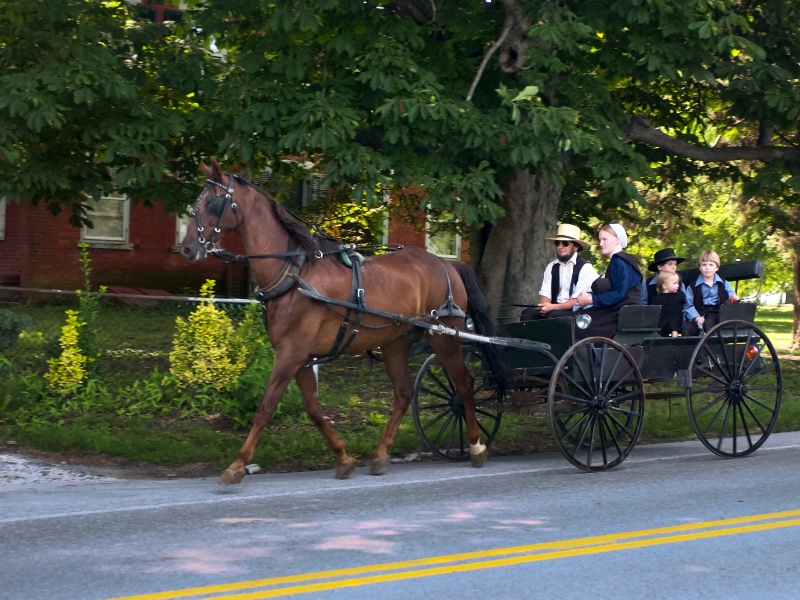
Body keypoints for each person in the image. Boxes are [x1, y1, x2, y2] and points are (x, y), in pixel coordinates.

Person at [574, 223, 642, 339]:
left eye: (605, 239)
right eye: (600, 240)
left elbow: (619, 293)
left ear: (617, 240)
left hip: (617, 314)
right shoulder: (621, 261)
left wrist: (590, 300)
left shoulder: (619, 261)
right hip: (618, 311)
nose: (601, 244)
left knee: (572, 323)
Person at [521, 224, 598, 321]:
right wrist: (545, 307)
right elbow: (545, 296)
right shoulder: (551, 267)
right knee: (527, 313)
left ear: (576, 246)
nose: (560, 247)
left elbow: (576, 302)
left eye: (565, 243)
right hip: (553, 309)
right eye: (558, 243)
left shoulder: (585, 268)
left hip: (577, 313)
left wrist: (551, 307)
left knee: (552, 315)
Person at [683, 249, 738, 335]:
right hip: (698, 312)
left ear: (717, 268)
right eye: (704, 265)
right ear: (699, 267)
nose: (707, 268)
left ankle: (712, 347)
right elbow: (688, 305)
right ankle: (691, 348)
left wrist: (733, 297)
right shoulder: (692, 287)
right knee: (687, 328)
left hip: (717, 312)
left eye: (711, 265)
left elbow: (731, 294)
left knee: (709, 324)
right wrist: (696, 317)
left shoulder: (724, 283)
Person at [651, 271, 683, 337]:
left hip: (675, 322)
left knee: (676, 314)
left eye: (678, 283)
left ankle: (675, 337)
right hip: (662, 323)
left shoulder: (679, 295)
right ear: (665, 286)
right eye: (675, 283)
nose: (678, 285)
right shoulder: (657, 299)